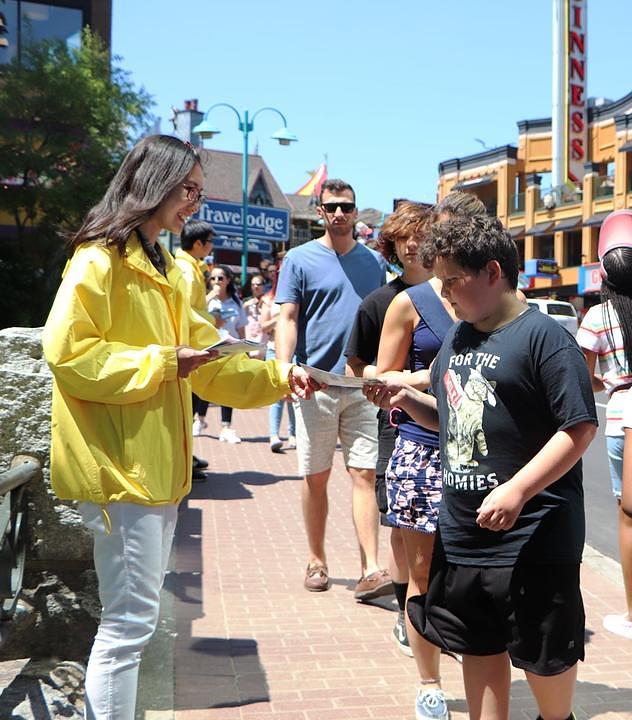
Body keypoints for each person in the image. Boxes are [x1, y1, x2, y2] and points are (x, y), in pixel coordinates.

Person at [41, 134, 317, 720]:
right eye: (188, 189)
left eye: (198, 190)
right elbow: (67, 354)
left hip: (154, 469)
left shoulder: (165, 266)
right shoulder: (99, 259)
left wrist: (277, 376)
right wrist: (164, 362)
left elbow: (208, 361)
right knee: (128, 625)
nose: (195, 201)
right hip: (120, 468)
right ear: (154, 184)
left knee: (132, 623)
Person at [364, 214, 597, 720]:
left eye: (452, 281)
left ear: (492, 272)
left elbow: (578, 428)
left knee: (544, 657)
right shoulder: (458, 337)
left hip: (534, 538)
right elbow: (450, 417)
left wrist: (518, 489)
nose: (445, 294)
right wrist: (406, 400)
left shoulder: (544, 338)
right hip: (465, 533)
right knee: (478, 645)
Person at [275, 178, 391, 598]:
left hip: (362, 386)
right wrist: (284, 370)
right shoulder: (299, 259)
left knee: (364, 473)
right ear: (319, 211)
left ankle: (371, 568)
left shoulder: (374, 263)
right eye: (331, 206)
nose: (339, 213)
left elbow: (382, 320)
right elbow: (288, 318)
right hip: (315, 384)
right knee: (316, 476)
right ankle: (316, 560)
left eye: (346, 206)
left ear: (356, 211)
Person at [374, 213, 456, 720]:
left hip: (481, 454)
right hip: (422, 448)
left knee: (471, 574)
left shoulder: (494, 296)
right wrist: (431, 377)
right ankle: (430, 685)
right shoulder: (409, 302)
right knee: (423, 570)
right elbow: (381, 377)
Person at [345, 201, 434, 657]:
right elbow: (357, 365)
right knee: (402, 524)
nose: (413, 244)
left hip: (451, 425)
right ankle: (407, 613)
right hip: (398, 426)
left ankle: (434, 611)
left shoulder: (457, 293)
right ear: (391, 246)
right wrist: (385, 380)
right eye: (403, 238)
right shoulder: (380, 302)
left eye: (421, 234)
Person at [577, 209, 632, 639]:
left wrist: (610, 379)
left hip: (619, 414)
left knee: (628, 516)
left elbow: (583, 377)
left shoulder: (597, 317)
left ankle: (631, 615)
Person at [175, 219, 216, 471]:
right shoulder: (187, 271)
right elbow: (186, 312)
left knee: (187, 408)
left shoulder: (189, 267)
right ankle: (183, 461)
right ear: (198, 243)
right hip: (188, 349)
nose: (212, 246)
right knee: (184, 409)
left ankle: (185, 458)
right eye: (210, 241)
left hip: (191, 346)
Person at [207, 264, 248, 444]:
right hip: (210, 348)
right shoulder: (206, 299)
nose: (216, 281)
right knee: (205, 386)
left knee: (228, 387)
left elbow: (241, 328)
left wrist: (244, 348)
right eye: (213, 278)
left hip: (230, 349)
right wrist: (209, 297)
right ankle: (198, 419)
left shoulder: (236, 302)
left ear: (228, 280)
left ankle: (226, 427)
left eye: (220, 278)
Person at [260, 263, 296, 453]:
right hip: (273, 350)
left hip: (295, 351)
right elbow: (264, 327)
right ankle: (274, 435)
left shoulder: (298, 296)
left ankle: (293, 434)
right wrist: (282, 317)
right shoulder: (268, 299)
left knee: (294, 393)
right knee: (277, 395)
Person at [243, 273, 268, 360]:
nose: (255, 287)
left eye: (258, 284)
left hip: (263, 337)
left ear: (263, 286)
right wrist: (245, 305)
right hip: (249, 336)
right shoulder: (246, 301)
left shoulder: (267, 300)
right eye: (253, 284)